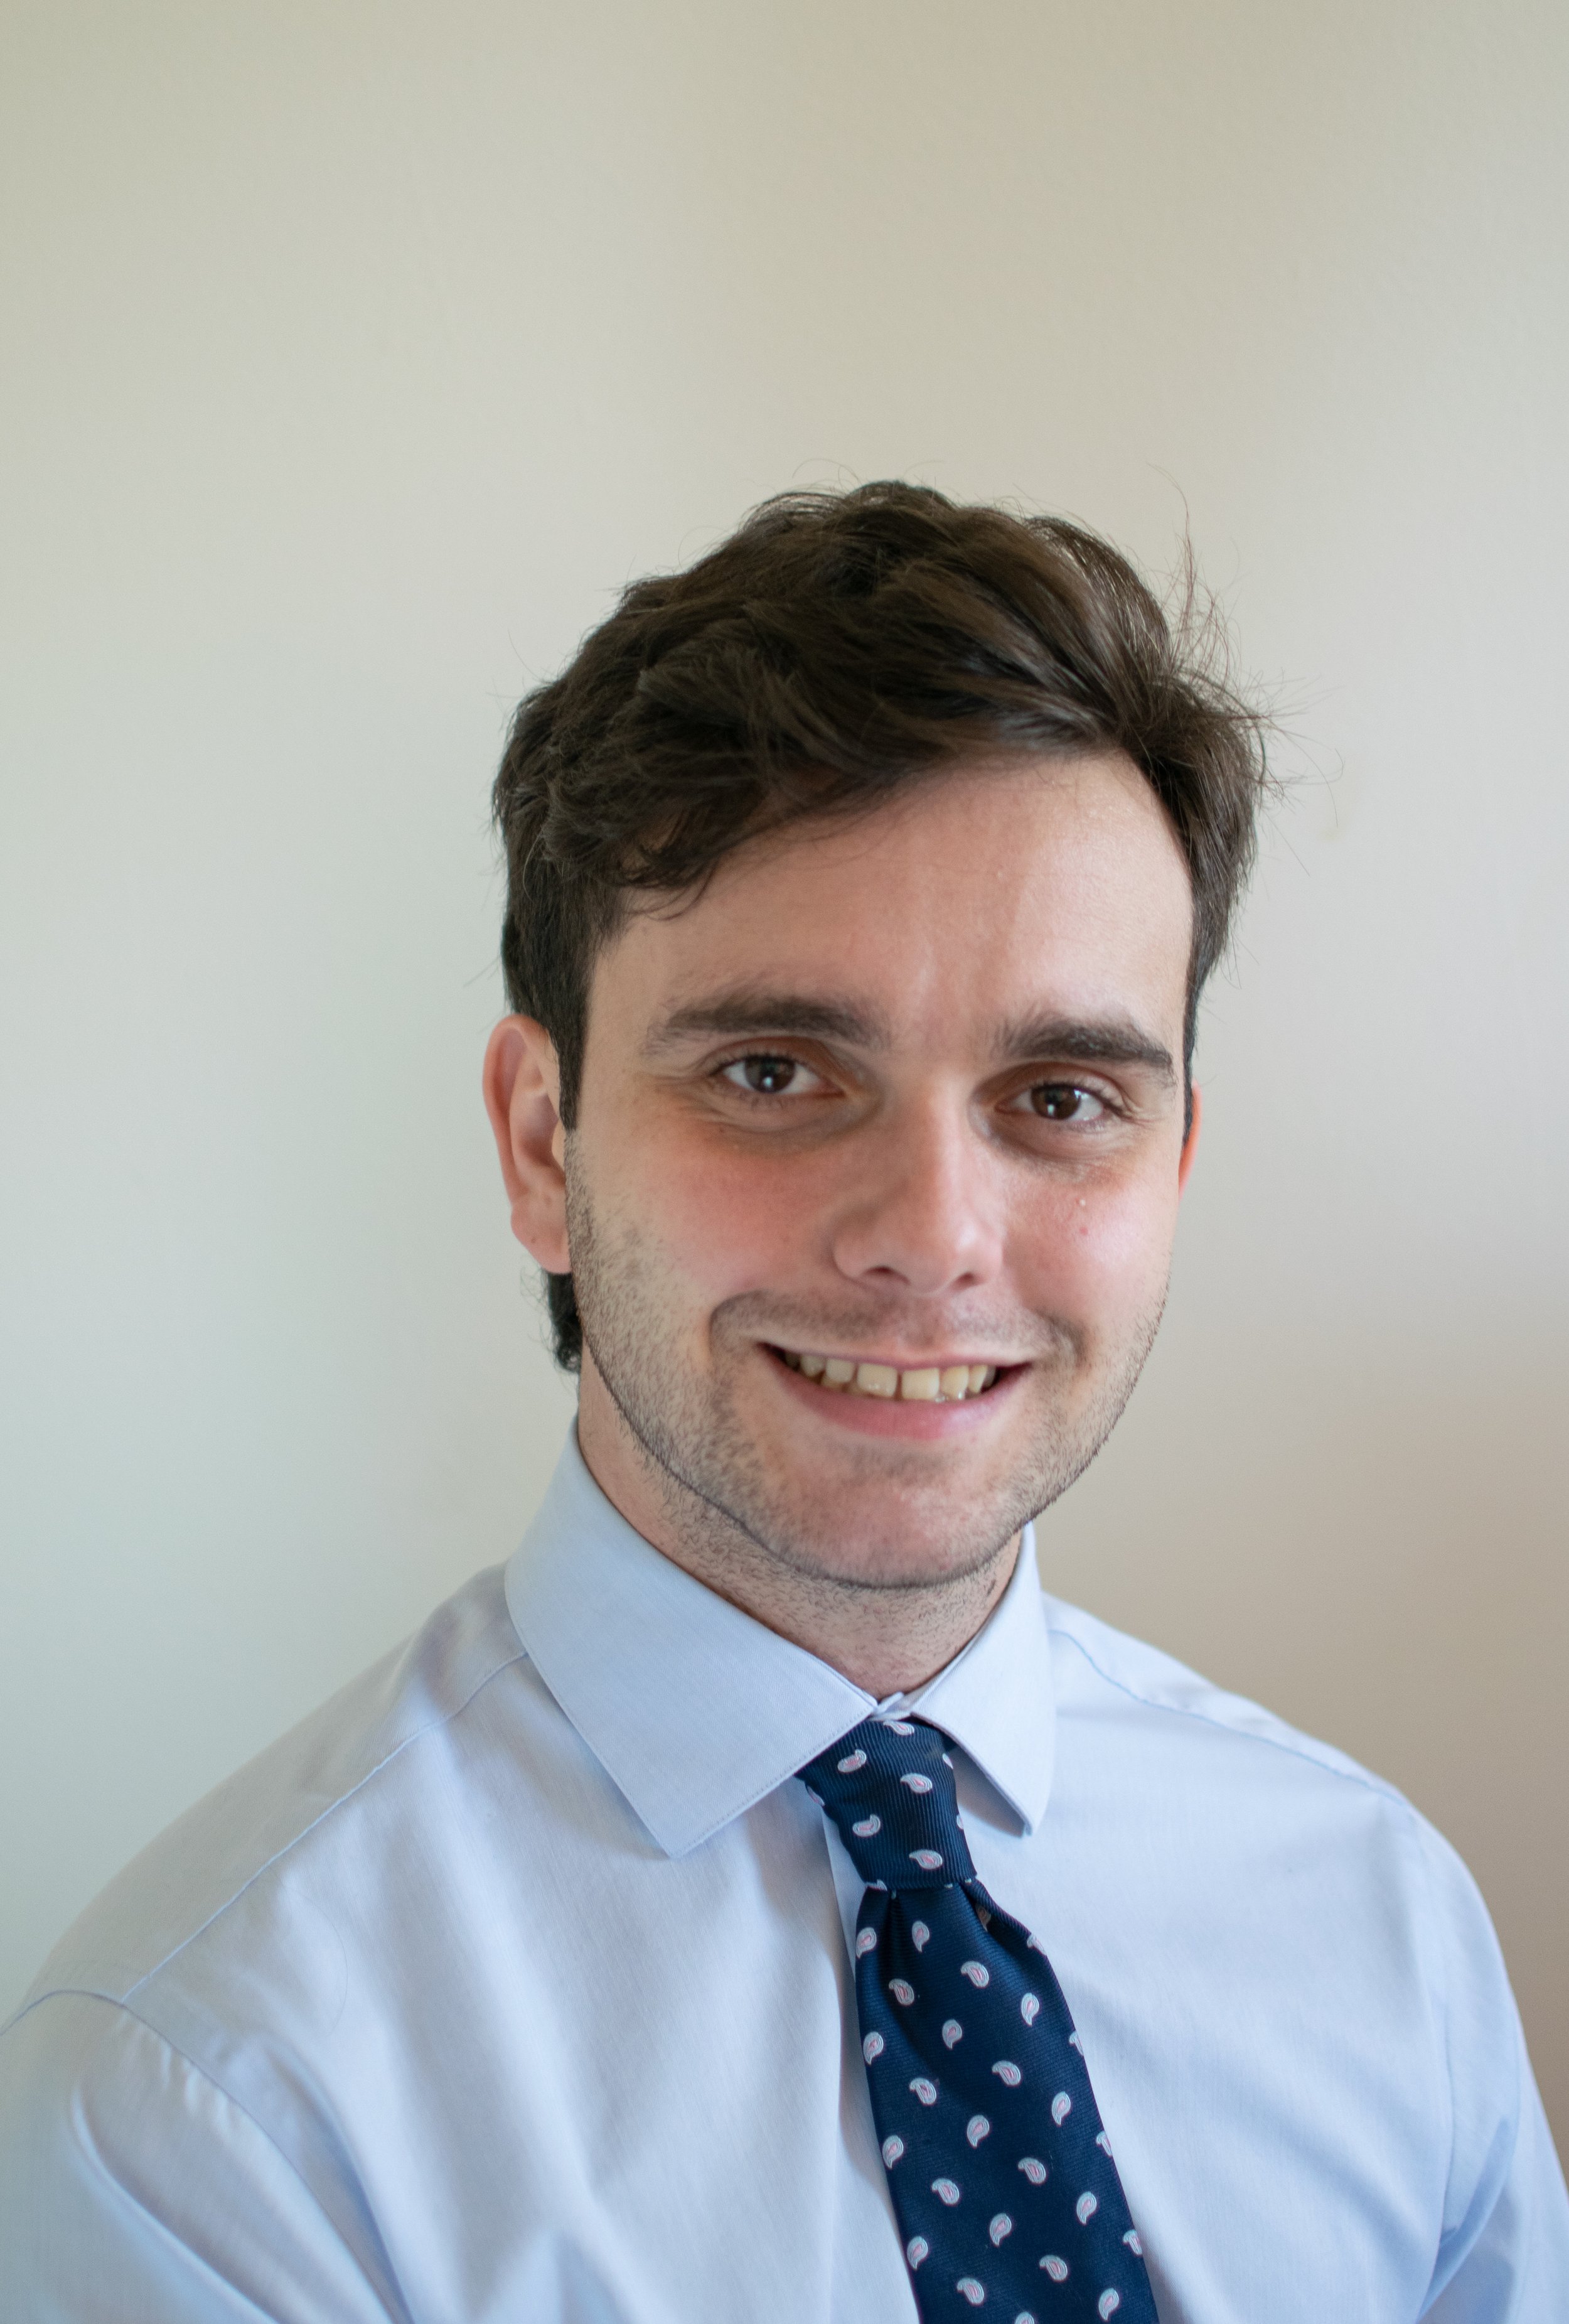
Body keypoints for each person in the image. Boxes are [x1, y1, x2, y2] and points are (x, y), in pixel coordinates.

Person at [1, 484, 1563, 2321]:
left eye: (1061, 1096)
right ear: (539, 1141)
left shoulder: (1376, 1916)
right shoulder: (210, 2106)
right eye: (772, 1069)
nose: (933, 1238)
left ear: (1173, 1163)